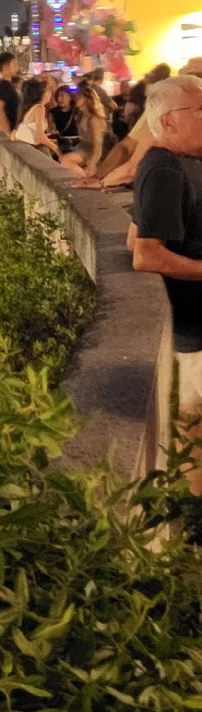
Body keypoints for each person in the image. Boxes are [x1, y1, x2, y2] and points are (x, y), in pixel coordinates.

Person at [131, 74, 202, 492]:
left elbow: (132, 234)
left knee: (194, 430)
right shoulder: (164, 169)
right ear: (170, 120)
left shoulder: (181, 162)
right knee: (193, 430)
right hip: (194, 329)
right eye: (200, 110)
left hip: (194, 329)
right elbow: (145, 254)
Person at [60, 84, 107, 177]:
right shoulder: (81, 116)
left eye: (79, 96)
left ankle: (84, 177)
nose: (75, 98)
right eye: (75, 96)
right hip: (82, 148)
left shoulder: (93, 119)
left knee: (65, 160)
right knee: (64, 161)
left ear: (87, 98)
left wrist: (92, 163)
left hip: (90, 150)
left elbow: (98, 145)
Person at [13, 77, 53, 151]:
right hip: (36, 149)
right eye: (48, 90)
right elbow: (40, 137)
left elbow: (14, 134)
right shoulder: (39, 108)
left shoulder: (27, 107)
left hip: (27, 147)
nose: (51, 93)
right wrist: (57, 150)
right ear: (43, 93)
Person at [0, 51, 19, 136]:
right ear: (5, 66)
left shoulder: (6, 85)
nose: (17, 68)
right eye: (14, 64)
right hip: (12, 133)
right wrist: (8, 132)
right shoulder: (5, 86)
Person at [48, 84, 79, 150]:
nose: (59, 99)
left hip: (79, 144)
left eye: (62, 96)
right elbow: (51, 130)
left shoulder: (77, 111)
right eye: (58, 96)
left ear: (70, 97)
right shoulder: (53, 112)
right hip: (63, 144)